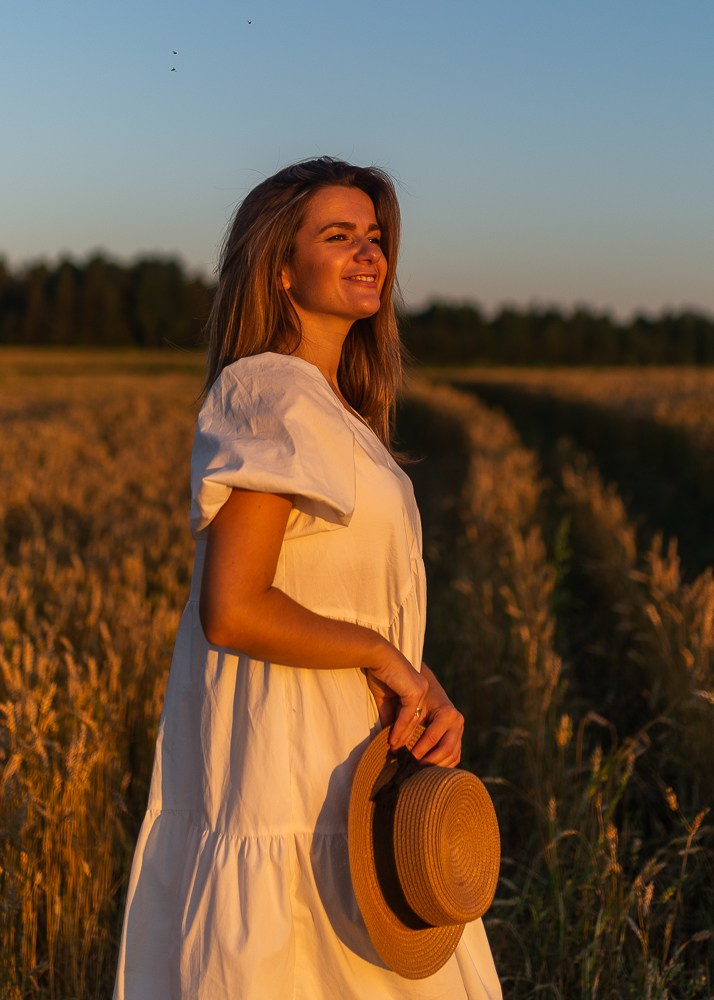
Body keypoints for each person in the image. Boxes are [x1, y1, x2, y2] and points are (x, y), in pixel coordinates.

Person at [114, 157, 501, 999]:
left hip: (346, 757)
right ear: (280, 267)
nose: (369, 254)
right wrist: (387, 659)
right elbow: (235, 607)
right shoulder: (269, 392)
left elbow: (342, 598)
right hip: (287, 769)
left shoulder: (332, 409)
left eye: (375, 237)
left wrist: (420, 684)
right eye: (339, 237)